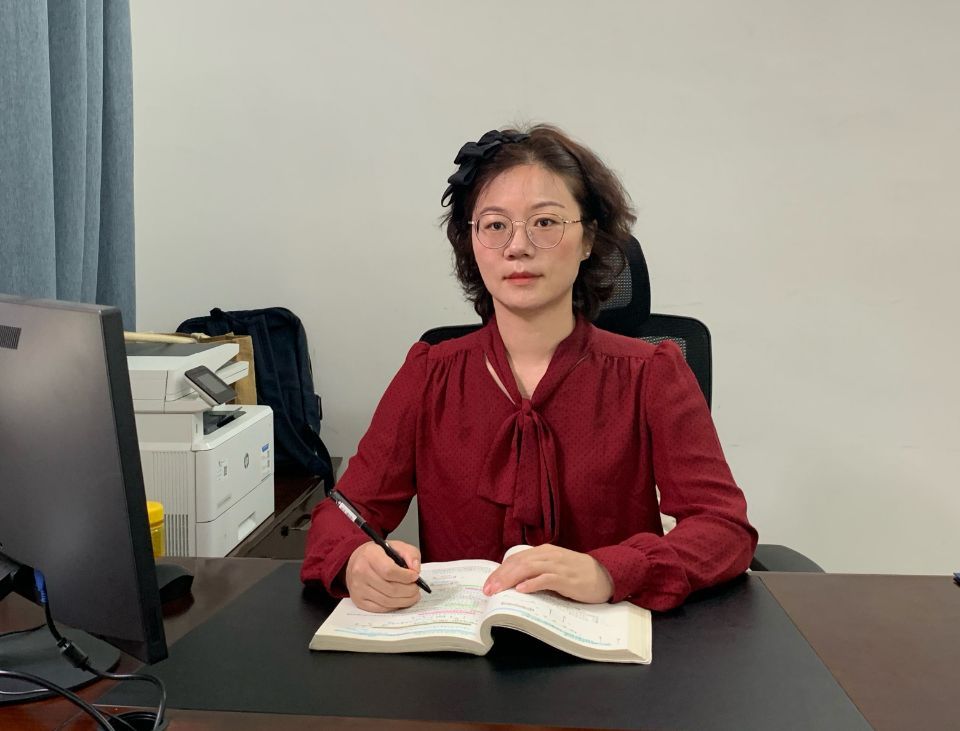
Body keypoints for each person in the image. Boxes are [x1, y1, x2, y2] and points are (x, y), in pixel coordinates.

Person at [301, 124, 757, 612]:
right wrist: (356, 560)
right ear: (472, 242)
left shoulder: (652, 374)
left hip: (606, 642)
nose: (517, 246)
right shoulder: (429, 374)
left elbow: (723, 529)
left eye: (545, 222)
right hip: (462, 648)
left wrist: (611, 570)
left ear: (588, 239)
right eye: (495, 225)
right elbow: (344, 513)